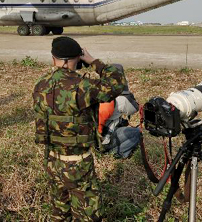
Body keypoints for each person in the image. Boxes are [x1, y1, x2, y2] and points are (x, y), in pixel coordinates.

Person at [33, 36, 127, 221]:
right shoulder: (83, 86)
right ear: (75, 60)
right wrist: (93, 62)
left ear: (54, 58)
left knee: (59, 213)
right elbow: (117, 84)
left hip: (52, 160)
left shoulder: (40, 84)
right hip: (78, 163)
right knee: (87, 215)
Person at [98, 84, 142, 159]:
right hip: (101, 142)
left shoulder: (101, 97)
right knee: (137, 133)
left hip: (92, 141)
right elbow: (133, 107)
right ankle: (116, 153)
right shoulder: (108, 105)